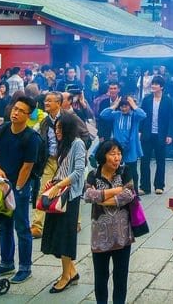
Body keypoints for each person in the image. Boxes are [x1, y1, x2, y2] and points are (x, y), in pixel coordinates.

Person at [0, 96, 40, 284]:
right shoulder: (2, 129)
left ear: (29, 115)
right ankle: (6, 262)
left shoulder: (31, 137)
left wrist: (16, 188)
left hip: (19, 187)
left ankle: (25, 267)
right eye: (15, 109)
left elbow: (28, 166)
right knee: (3, 225)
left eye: (21, 111)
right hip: (1, 184)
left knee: (22, 226)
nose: (15, 113)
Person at [83, 140, 137, 304]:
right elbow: (87, 196)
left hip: (122, 234)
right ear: (103, 156)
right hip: (100, 235)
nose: (117, 158)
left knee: (121, 276)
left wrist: (102, 199)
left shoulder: (125, 171)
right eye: (112, 154)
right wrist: (115, 191)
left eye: (119, 153)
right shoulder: (93, 174)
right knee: (101, 277)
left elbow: (128, 195)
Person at [41, 114, 87, 293]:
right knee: (57, 235)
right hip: (59, 193)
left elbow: (78, 171)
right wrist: (53, 183)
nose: (57, 132)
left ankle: (66, 276)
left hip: (70, 197)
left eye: (60, 128)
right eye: (56, 128)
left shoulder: (77, 144)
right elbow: (63, 169)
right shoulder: (64, 145)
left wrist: (58, 184)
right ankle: (72, 272)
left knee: (65, 237)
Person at [31, 91, 65, 238]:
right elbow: (35, 134)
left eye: (50, 101)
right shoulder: (44, 121)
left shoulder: (68, 118)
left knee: (66, 191)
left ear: (59, 103)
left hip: (65, 161)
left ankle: (74, 222)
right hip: (50, 160)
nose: (46, 103)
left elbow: (84, 135)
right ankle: (37, 225)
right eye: (46, 101)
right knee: (43, 191)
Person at [98, 97, 145, 192]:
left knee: (132, 171)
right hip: (117, 148)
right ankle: (119, 190)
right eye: (122, 107)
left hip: (130, 148)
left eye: (126, 106)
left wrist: (133, 105)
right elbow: (103, 115)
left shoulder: (134, 116)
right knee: (116, 170)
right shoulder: (116, 115)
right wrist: (115, 105)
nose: (124, 109)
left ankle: (134, 191)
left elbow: (143, 115)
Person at [138, 75, 173, 195]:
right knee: (144, 161)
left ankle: (159, 185)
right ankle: (144, 186)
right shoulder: (147, 99)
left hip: (161, 134)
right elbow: (142, 116)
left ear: (162, 87)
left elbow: (171, 119)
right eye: (152, 83)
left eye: (156, 84)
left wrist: (170, 134)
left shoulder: (168, 100)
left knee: (160, 160)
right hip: (147, 134)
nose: (153, 86)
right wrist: (139, 130)